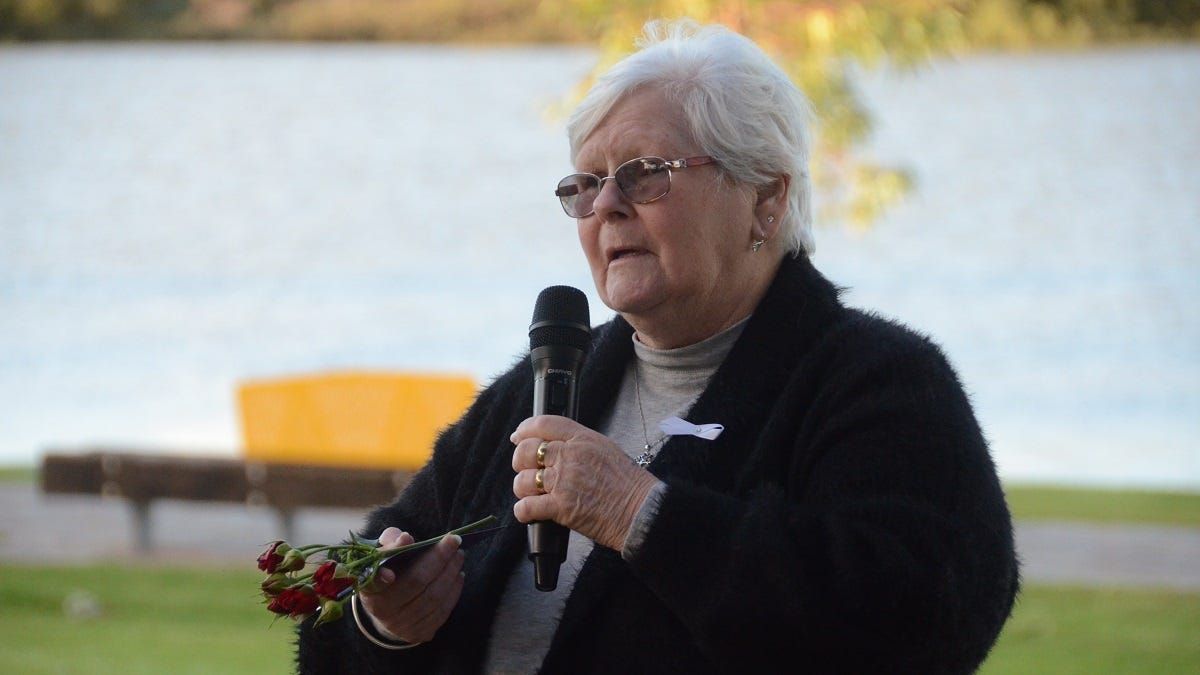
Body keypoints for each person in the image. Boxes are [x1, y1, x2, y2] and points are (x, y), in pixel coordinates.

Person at [298, 19, 1018, 674]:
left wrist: (643, 515)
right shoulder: (543, 387)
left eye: (646, 173)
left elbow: (928, 618)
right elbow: (353, 606)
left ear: (765, 198)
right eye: (585, 183)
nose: (606, 205)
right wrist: (381, 622)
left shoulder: (881, 384)